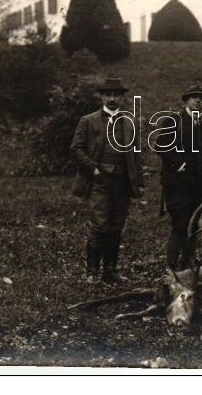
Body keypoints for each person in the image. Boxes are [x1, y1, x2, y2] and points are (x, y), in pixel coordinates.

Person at [70, 77, 144, 284]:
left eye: (116, 95)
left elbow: (136, 153)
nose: (112, 99)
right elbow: (75, 149)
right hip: (100, 180)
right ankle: (92, 272)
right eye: (108, 94)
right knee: (99, 225)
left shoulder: (130, 122)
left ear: (122, 97)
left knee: (116, 226)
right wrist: (93, 169)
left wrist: (137, 181)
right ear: (102, 96)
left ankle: (110, 270)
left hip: (122, 181)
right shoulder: (88, 120)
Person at [155, 85, 202, 270]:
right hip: (178, 186)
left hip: (198, 187)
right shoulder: (174, 120)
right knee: (180, 225)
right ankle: (170, 268)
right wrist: (177, 164)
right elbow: (160, 146)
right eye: (194, 97)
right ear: (186, 100)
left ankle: (186, 265)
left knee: (194, 226)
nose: (199, 101)